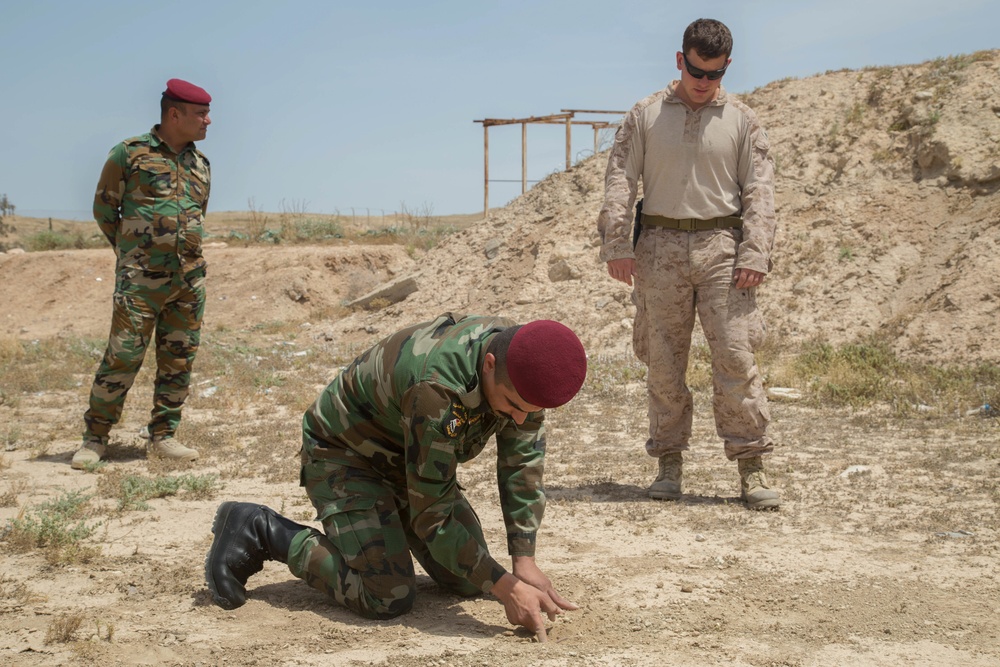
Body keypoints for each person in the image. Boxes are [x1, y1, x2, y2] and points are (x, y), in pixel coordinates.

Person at [205, 313, 588, 639]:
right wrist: (508, 587)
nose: (520, 419)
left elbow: (522, 468)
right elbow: (433, 518)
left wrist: (523, 561)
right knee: (387, 595)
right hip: (345, 453)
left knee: (470, 579)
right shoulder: (437, 389)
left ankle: (387, 524)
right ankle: (263, 529)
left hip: (408, 455)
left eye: (530, 412)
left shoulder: (526, 364)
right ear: (489, 365)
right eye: (514, 407)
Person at [596, 18, 780, 509]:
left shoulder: (743, 120)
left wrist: (755, 252)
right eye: (697, 71)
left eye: (714, 74)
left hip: (724, 249)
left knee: (736, 359)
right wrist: (617, 243)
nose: (704, 83)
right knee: (663, 362)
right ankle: (668, 463)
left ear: (727, 68)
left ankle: (751, 465)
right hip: (659, 249)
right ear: (680, 60)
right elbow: (620, 179)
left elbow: (760, 192)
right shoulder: (645, 114)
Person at [72, 79, 213, 469]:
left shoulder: (200, 164)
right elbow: (105, 209)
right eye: (200, 114)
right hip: (140, 281)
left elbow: (198, 214)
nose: (208, 121)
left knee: (178, 360)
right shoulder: (129, 154)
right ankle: (95, 438)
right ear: (174, 114)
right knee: (123, 356)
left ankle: (163, 436)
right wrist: (132, 255)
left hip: (188, 282)